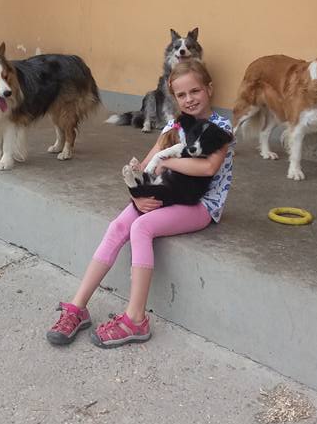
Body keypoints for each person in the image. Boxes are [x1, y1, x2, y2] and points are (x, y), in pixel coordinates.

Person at [46, 59, 234, 348]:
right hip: (166, 192)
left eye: (195, 91)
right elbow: (148, 163)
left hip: (200, 205)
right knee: (119, 225)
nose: (189, 99)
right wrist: (137, 186)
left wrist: (166, 161)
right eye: (181, 95)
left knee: (141, 228)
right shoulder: (173, 124)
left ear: (209, 89)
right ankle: (78, 307)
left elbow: (208, 168)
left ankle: (135, 319)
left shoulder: (220, 127)